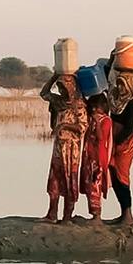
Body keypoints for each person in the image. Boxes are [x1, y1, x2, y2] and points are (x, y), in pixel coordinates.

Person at [40, 72, 87, 222]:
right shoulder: (59, 103)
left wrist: (64, 126)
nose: (62, 91)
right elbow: (44, 93)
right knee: (54, 180)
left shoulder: (79, 105)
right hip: (59, 149)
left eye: (64, 87)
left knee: (69, 181)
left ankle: (67, 216)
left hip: (71, 150)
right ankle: (52, 213)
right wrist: (54, 77)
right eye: (60, 88)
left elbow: (82, 127)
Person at [108, 78, 133, 224]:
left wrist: (117, 141)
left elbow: (130, 128)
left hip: (124, 145)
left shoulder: (132, 103)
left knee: (122, 177)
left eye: (123, 84)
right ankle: (123, 212)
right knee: (114, 175)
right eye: (119, 84)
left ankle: (128, 215)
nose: (121, 88)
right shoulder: (116, 102)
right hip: (114, 143)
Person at [80, 94, 114, 222]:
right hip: (89, 156)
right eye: (93, 107)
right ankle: (93, 213)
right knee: (89, 185)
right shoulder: (91, 120)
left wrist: (96, 123)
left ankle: (97, 214)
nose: (94, 110)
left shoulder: (106, 121)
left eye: (97, 107)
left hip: (99, 158)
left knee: (96, 184)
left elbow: (101, 137)